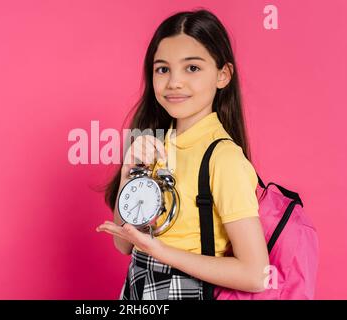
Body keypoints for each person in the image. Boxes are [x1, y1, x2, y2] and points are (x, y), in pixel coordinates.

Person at [96, 8, 269, 300]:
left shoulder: (222, 158)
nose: (174, 82)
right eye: (162, 69)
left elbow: (255, 275)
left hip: (184, 291)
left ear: (223, 75)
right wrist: (129, 172)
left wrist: (161, 251)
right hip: (138, 286)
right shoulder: (153, 144)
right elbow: (123, 245)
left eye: (192, 68)